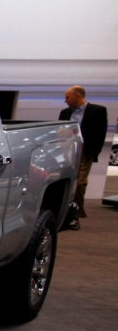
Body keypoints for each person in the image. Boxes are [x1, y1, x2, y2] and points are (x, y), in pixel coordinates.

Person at [59, 85, 108, 230]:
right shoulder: (65, 113)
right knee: (64, 182)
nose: (65, 101)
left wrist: (93, 154)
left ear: (78, 96)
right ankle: (63, 214)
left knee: (79, 183)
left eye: (67, 97)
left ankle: (75, 215)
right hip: (67, 153)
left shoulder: (98, 111)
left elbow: (101, 134)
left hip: (85, 153)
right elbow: (60, 132)